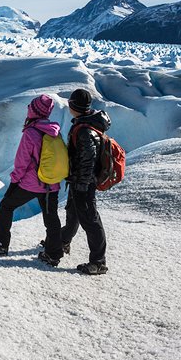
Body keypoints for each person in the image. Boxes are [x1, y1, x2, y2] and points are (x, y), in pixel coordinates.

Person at [0, 94, 65, 266]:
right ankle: (53, 253)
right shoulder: (54, 130)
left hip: (31, 183)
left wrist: (14, 182)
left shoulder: (31, 133)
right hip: (51, 184)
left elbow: (22, 163)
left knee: (6, 206)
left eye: (30, 107)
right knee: (51, 218)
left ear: (34, 111)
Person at [61, 89, 110, 275]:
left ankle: (98, 262)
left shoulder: (84, 131)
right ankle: (63, 242)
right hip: (79, 181)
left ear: (74, 106)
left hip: (84, 182)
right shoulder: (88, 124)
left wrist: (81, 183)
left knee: (90, 219)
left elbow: (88, 159)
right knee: (73, 214)